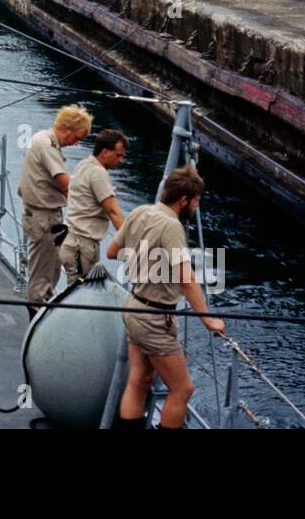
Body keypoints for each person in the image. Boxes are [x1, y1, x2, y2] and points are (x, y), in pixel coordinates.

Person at [106, 165, 224, 429]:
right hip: (155, 318)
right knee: (182, 389)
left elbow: (113, 252)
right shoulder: (172, 225)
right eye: (196, 201)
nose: (196, 206)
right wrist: (208, 320)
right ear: (184, 200)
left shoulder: (139, 212)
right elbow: (187, 280)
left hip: (133, 306)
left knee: (139, 379)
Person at [18, 105, 92, 313]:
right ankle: (37, 311)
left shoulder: (41, 138)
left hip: (40, 214)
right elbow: (64, 181)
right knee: (43, 272)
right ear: (67, 129)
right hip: (44, 217)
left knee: (49, 268)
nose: (75, 142)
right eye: (77, 137)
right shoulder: (48, 145)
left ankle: (43, 305)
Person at [59, 128, 127, 283]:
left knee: (75, 290)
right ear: (104, 152)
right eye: (118, 155)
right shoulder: (98, 173)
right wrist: (133, 243)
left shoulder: (83, 165)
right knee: (83, 294)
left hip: (70, 240)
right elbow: (113, 211)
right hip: (82, 246)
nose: (121, 160)